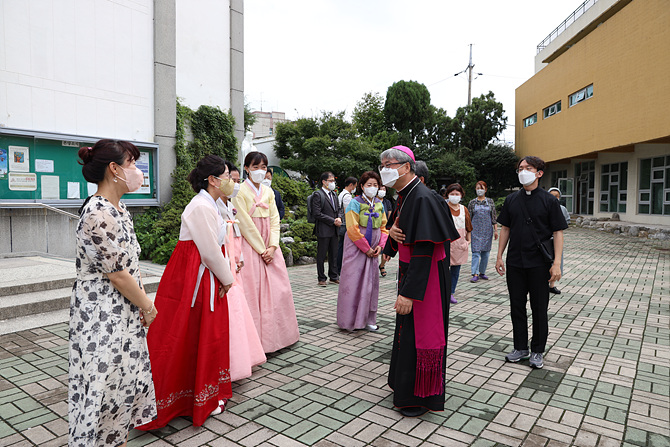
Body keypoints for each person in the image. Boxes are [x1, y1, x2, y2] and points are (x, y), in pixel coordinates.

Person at [70, 139, 157, 446]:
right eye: (132, 163)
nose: (137, 170)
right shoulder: (98, 213)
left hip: (123, 310)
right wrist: (148, 306)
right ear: (114, 169)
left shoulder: (119, 209)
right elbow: (117, 274)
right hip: (103, 315)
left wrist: (141, 302)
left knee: (121, 387)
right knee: (103, 389)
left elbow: (131, 265)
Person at [139, 155, 235, 430]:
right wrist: (227, 279)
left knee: (200, 334)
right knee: (193, 334)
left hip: (202, 274)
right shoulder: (200, 207)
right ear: (213, 180)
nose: (230, 181)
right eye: (226, 176)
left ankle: (198, 395)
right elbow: (209, 251)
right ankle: (189, 398)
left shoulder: (211, 204)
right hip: (196, 277)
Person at [381, 145, 460, 418]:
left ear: (406, 167)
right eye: (382, 165)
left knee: (419, 335)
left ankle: (418, 397)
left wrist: (409, 293)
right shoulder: (406, 194)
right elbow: (398, 229)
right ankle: (403, 386)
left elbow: (425, 248)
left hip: (425, 279)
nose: (384, 170)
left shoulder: (423, 197)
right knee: (406, 332)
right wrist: (390, 241)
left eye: (389, 165)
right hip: (411, 272)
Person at [495, 156, 567, 370]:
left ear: (539, 173)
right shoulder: (512, 200)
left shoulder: (549, 201)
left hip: (539, 263)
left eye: (528, 168)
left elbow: (558, 232)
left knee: (539, 308)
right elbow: (505, 228)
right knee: (516, 306)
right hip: (515, 262)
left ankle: (537, 350)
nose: (523, 171)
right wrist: (499, 256)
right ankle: (520, 347)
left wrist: (557, 263)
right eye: (520, 168)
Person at [233, 151, 300, 353]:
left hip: (270, 247)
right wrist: (262, 249)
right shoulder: (239, 192)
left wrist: (273, 246)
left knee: (278, 290)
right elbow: (244, 224)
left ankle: (279, 338)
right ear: (246, 168)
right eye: (255, 167)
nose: (260, 171)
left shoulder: (269, 192)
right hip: (250, 246)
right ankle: (257, 344)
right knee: (253, 292)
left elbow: (274, 220)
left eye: (263, 167)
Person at [217, 161, 267, 381]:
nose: (234, 184)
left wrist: (241, 258)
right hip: (225, 266)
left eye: (236, 180)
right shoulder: (212, 206)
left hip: (235, 263)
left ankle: (245, 357)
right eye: (231, 179)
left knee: (239, 312)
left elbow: (237, 235)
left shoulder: (229, 205)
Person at [337, 171, 389, 331]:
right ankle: (349, 320)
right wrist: (366, 248)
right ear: (362, 186)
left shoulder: (379, 204)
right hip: (356, 249)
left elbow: (384, 227)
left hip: (374, 251)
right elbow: (352, 229)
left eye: (375, 185)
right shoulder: (354, 203)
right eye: (369, 185)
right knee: (352, 283)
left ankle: (368, 319)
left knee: (370, 285)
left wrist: (381, 245)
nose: (372, 188)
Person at [312, 171, 342, 286]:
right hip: (324, 229)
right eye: (331, 180)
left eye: (334, 180)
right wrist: (332, 220)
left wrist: (339, 217)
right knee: (322, 255)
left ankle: (333, 276)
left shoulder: (334, 194)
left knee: (334, 254)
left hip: (334, 229)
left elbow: (338, 209)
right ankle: (321, 278)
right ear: (324, 182)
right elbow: (317, 213)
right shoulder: (318, 194)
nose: (333, 183)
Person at [444, 184, 472, 304]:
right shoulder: (443, 207)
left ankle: (451, 292)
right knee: (443, 269)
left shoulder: (463, 209)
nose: (454, 196)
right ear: (447, 195)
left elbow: (468, 226)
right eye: (452, 194)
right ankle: (442, 292)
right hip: (445, 243)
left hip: (460, 244)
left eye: (457, 194)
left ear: (461, 195)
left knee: (455, 271)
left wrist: (468, 240)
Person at [467, 181, 498, 283]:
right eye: (477, 188)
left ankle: (482, 272)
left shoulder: (490, 202)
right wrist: (467, 232)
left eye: (482, 188)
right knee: (475, 253)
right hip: (475, 231)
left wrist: (496, 230)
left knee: (486, 253)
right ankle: (474, 273)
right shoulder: (472, 203)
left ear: (486, 190)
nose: (479, 190)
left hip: (487, 231)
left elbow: (493, 217)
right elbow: (469, 218)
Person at [547, 187, 570, 295]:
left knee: (556, 261)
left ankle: (552, 285)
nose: (554, 198)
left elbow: (566, 221)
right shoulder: (543, 206)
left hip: (556, 240)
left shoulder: (562, 209)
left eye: (556, 196)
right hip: (544, 240)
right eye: (552, 195)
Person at [336, 176, 358, 273]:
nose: (354, 189)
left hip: (341, 224)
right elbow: (347, 212)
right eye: (355, 186)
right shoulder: (347, 196)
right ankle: (340, 268)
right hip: (345, 225)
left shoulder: (341, 194)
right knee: (344, 247)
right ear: (351, 185)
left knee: (340, 246)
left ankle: (338, 268)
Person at [377, 185, 393, 277]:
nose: (382, 191)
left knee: (385, 248)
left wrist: (388, 227)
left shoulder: (387, 202)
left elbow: (389, 215)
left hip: (384, 228)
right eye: (381, 189)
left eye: (384, 189)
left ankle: (382, 265)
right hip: (375, 227)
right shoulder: (373, 201)